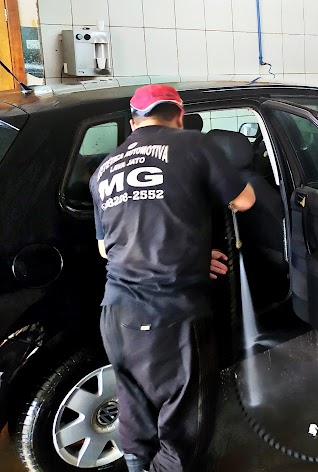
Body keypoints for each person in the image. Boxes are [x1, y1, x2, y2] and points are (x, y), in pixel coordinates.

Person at [90, 84, 256, 472]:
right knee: (185, 425)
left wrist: (189, 253)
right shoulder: (194, 145)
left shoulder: (104, 168)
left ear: (133, 122)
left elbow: (106, 249)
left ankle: (136, 465)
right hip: (171, 313)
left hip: (116, 312)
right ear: (179, 116)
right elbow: (244, 200)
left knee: (135, 407)